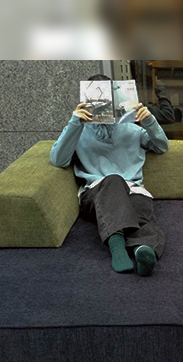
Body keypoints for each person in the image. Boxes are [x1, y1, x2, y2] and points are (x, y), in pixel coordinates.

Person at [50, 74, 169, 276]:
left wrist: (149, 120)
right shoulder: (78, 131)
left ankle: (144, 250)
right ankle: (117, 245)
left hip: (133, 190)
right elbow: (58, 160)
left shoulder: (132, 129)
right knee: (113, 179)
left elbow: (162, 146)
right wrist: (75, 122)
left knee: (141, 209)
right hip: (96, 193)